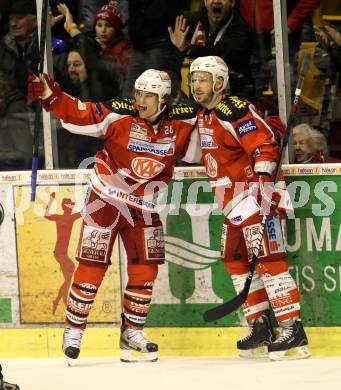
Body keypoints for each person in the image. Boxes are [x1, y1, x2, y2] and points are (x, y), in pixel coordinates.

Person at [27, 68, 200, 362]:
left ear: (165, 100)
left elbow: (202, 145)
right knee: (92, 265)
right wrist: (51, 95)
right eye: (139, 93)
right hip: (105, 199)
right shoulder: (120, 113)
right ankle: (74, 330)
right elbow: (80, 115)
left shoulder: (183, 121)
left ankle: (132, 333)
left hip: (145, 206)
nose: (141, 100)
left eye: (149, 95)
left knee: (146, 267)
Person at [189, 55, 310, 361]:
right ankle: (260, 326)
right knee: (232, 256)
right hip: (233, 205)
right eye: (193, 79)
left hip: (256, 197)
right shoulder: (204, 116)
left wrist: (262, 187)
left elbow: (266, 144)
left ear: (219, 82)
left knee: (269, 259)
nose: (196, 85)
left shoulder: (234, 109)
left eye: (202, 79)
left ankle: (292, 328)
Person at [168, 0, 254, 97]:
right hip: (199, 97)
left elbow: (218, 55)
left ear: (232, 3)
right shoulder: (192, 21)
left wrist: (188, 49)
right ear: (205, 2)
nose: (216, 1)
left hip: (234, 97)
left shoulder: (241, 29)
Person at [57, 1, 131, 97]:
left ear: (116, 28)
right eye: (99, 25)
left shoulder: (124, 48)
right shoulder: (95, 44)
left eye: (108, 26)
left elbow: (95, 62)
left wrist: (71, 28)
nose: (103, 30)